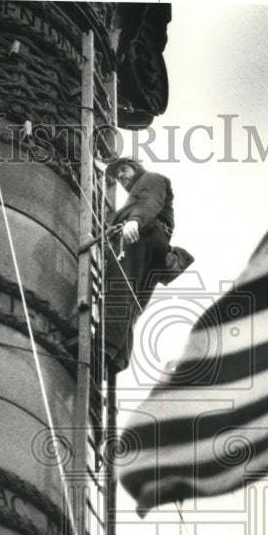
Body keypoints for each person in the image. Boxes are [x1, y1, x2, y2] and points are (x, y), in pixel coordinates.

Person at [102, 156, 187, 374]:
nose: (121, 176)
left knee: (118, 281)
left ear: (136, 167)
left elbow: (150, 201)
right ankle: (117, 357)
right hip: (152, 243)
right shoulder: (135, 192)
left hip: (143, 234)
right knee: (133, 302)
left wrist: (134, 221)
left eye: (124, 170)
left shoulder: (150, 179)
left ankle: (106, 345)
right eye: (118, 175)